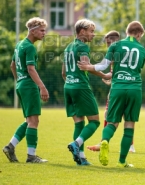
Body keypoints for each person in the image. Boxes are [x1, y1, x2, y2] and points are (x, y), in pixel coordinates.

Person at [78, 21, 145, 167]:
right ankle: (122, 161)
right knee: (129, 124)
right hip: (135, 89)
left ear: (127, 31)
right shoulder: (143, 50)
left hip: (118, 88)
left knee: (112, 122)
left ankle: (104, 141)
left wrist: (88, 66)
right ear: (139, 34)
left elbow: (104, 65)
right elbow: (137, 69)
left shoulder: (116, 45)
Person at [63, 19, 111, 165]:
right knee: (95, 121)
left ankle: (81, 158)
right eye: (91, 31)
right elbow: (87, 67)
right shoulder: (83, 47)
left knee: (79, 124)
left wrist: (71, 82)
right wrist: (104, 75)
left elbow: (63, 73)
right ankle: (76, 144)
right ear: (82, 31)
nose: (93, 34)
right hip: (81, 87)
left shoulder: (68, 47)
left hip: (68, 87)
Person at [3, 17, 49, 163]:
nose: (44, 33)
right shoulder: (29, 47)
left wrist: (19, 80)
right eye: (42, 30)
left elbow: (12, 65)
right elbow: (30, 68)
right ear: (33, 31)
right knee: (34, 121)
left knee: (29, 120)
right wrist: (42, 86)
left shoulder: (19, 45)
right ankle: (31, 156)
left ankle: (10, 146)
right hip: (29, 86)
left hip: (21, 85)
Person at [87, 31, 136, 153]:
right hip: (124, 87)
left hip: (118, 89)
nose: (107, 44)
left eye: (109, 42)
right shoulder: (123, 51)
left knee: (111, 116)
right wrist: (110, 78)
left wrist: (99, 72)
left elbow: (111, 72)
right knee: (125, 117)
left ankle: (105, 142)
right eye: (106, 42)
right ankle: (130, 145)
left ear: (115, 40)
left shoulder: (116, 53)